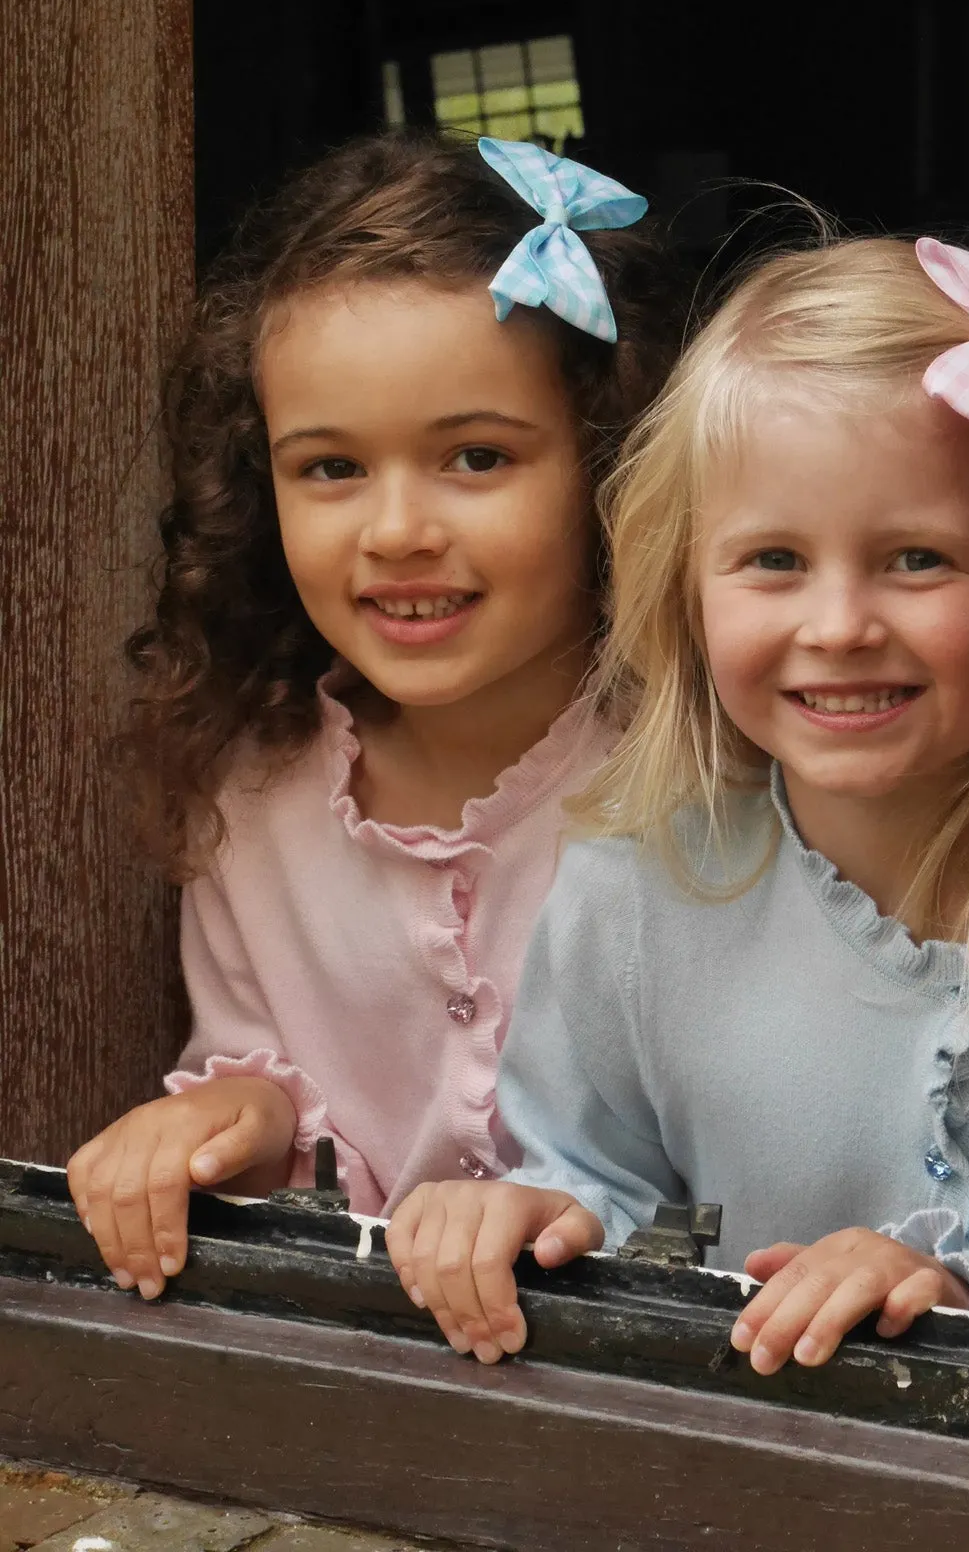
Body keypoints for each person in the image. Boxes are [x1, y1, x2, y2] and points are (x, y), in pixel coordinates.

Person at [388, 233, 969, 1375]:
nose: (837, 625)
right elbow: (592, 1178)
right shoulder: (635, 888)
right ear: (682, 584)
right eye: (773, 558)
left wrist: (961, 1286)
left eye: (918, 558)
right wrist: (526, 1218)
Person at [67, 130, 684, 1302]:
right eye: (331, 468)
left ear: (611, 463)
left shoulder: (701, 780)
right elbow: (262, 1080)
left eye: (474, 455)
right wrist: (219, 1118)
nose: (396, 528)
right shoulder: (250, 794)